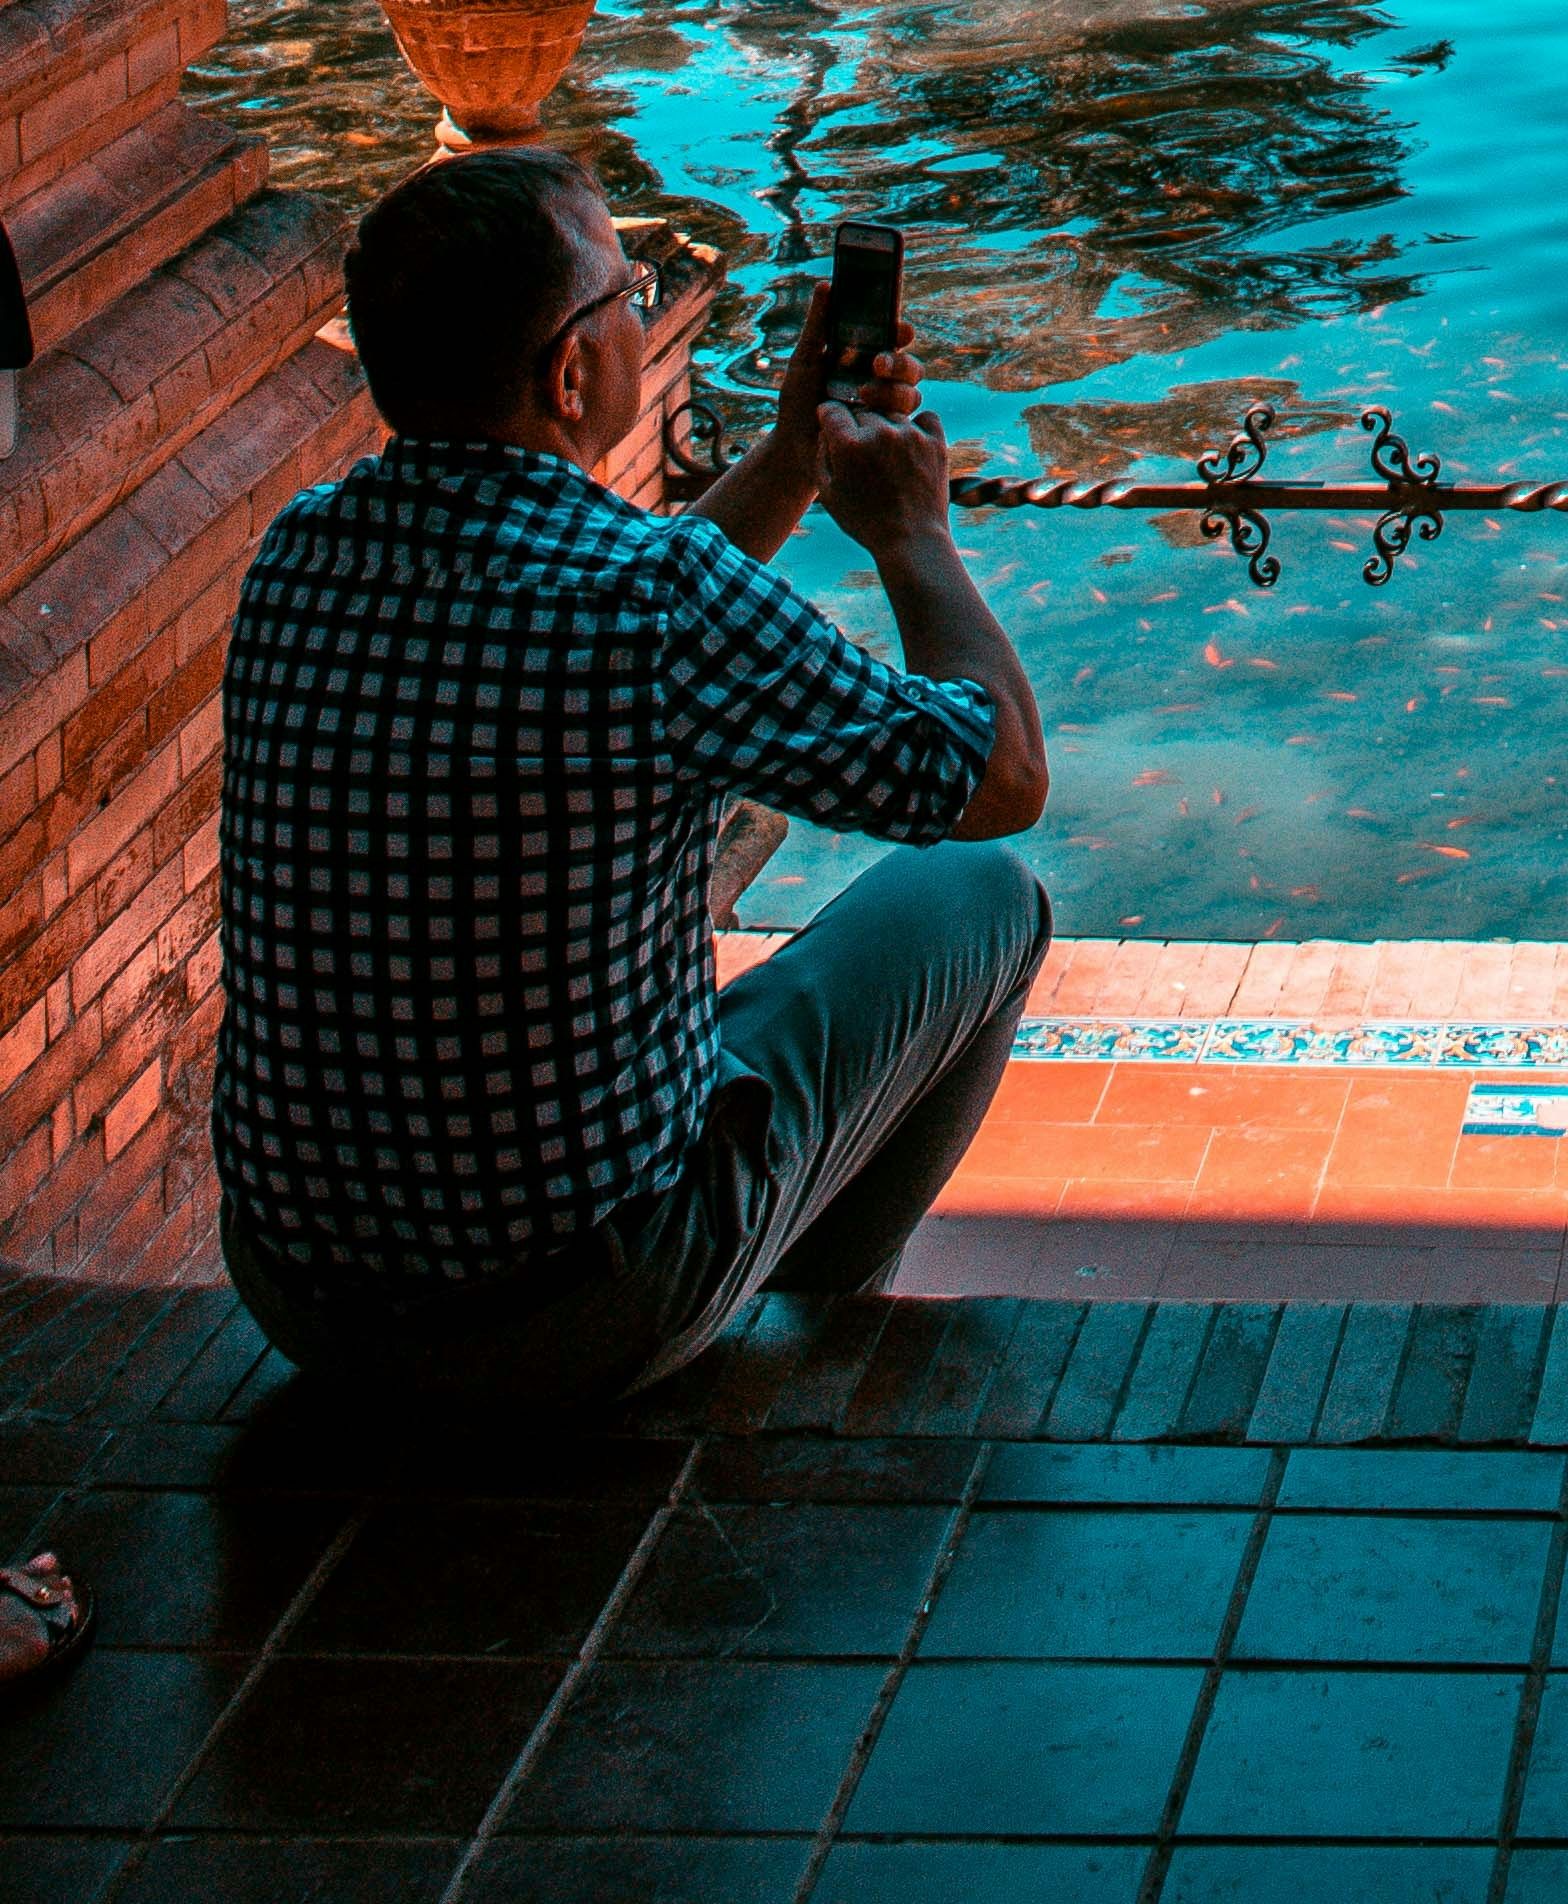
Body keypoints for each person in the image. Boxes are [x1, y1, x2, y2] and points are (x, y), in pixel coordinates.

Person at [215, 144, 1051, 1412]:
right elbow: (993, 777)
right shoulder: (652, 605)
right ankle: (815, 1322)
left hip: (304, 1298)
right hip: (579, 1311)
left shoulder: (299, 556)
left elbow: (608, 623)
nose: (642, 313)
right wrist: (911, 533)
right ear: (569, 372)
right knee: (988, 897)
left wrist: (789, 456)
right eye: (626, 296)